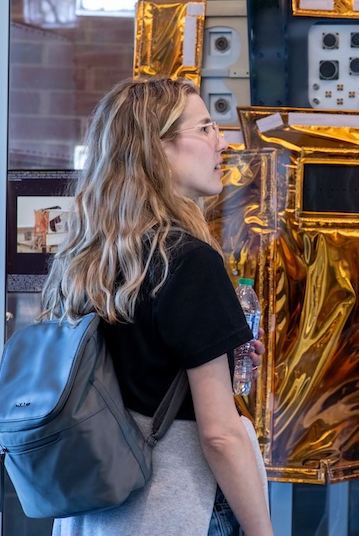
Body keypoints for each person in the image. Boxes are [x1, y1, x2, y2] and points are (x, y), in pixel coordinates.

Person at [41, 76, 274, 535]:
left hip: (95, 512)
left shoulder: (87, 256)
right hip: (176, 508)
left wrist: (222, 352)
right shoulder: (188, 261)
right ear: (159, 148)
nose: (222, 143)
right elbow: (220, 435)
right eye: (206, 128)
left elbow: (132, 375)